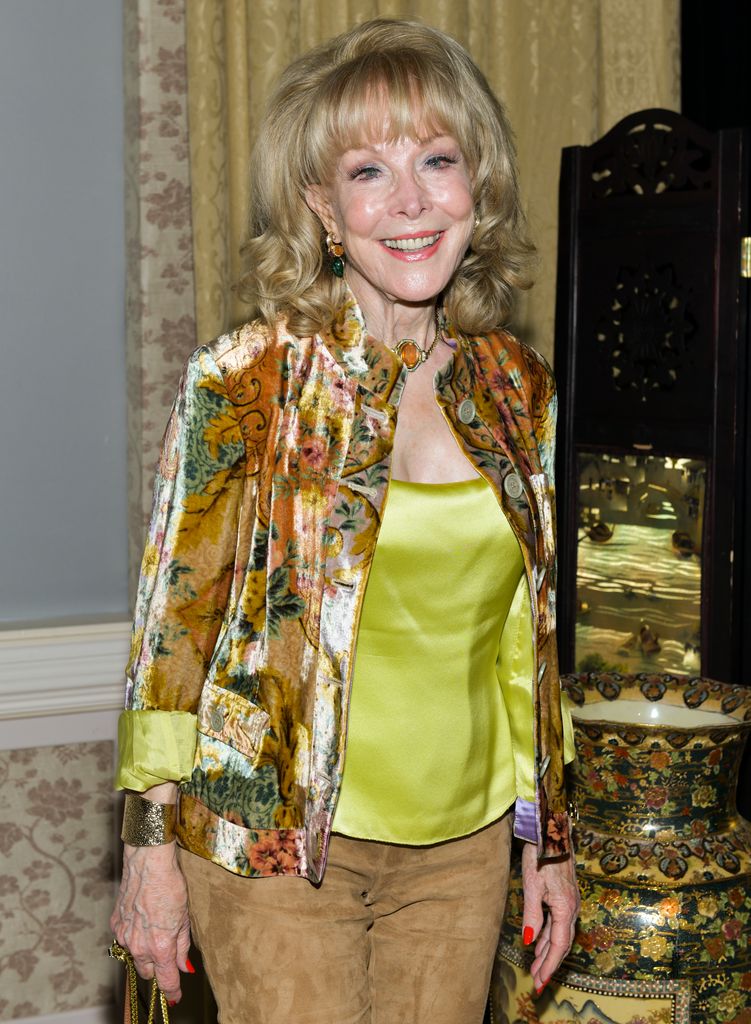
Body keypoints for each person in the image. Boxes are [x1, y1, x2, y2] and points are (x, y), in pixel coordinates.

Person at [111, 18, 579, 1024]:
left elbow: (523, 643)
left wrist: (548, 842)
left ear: (478, 186)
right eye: (369, 171)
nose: (410, 201)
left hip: (462, 851)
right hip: (275, 841)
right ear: (322, 206)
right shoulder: (244, 381)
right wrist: (147, 852)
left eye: (437, 160)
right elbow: (171, 638)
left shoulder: (517, 390)